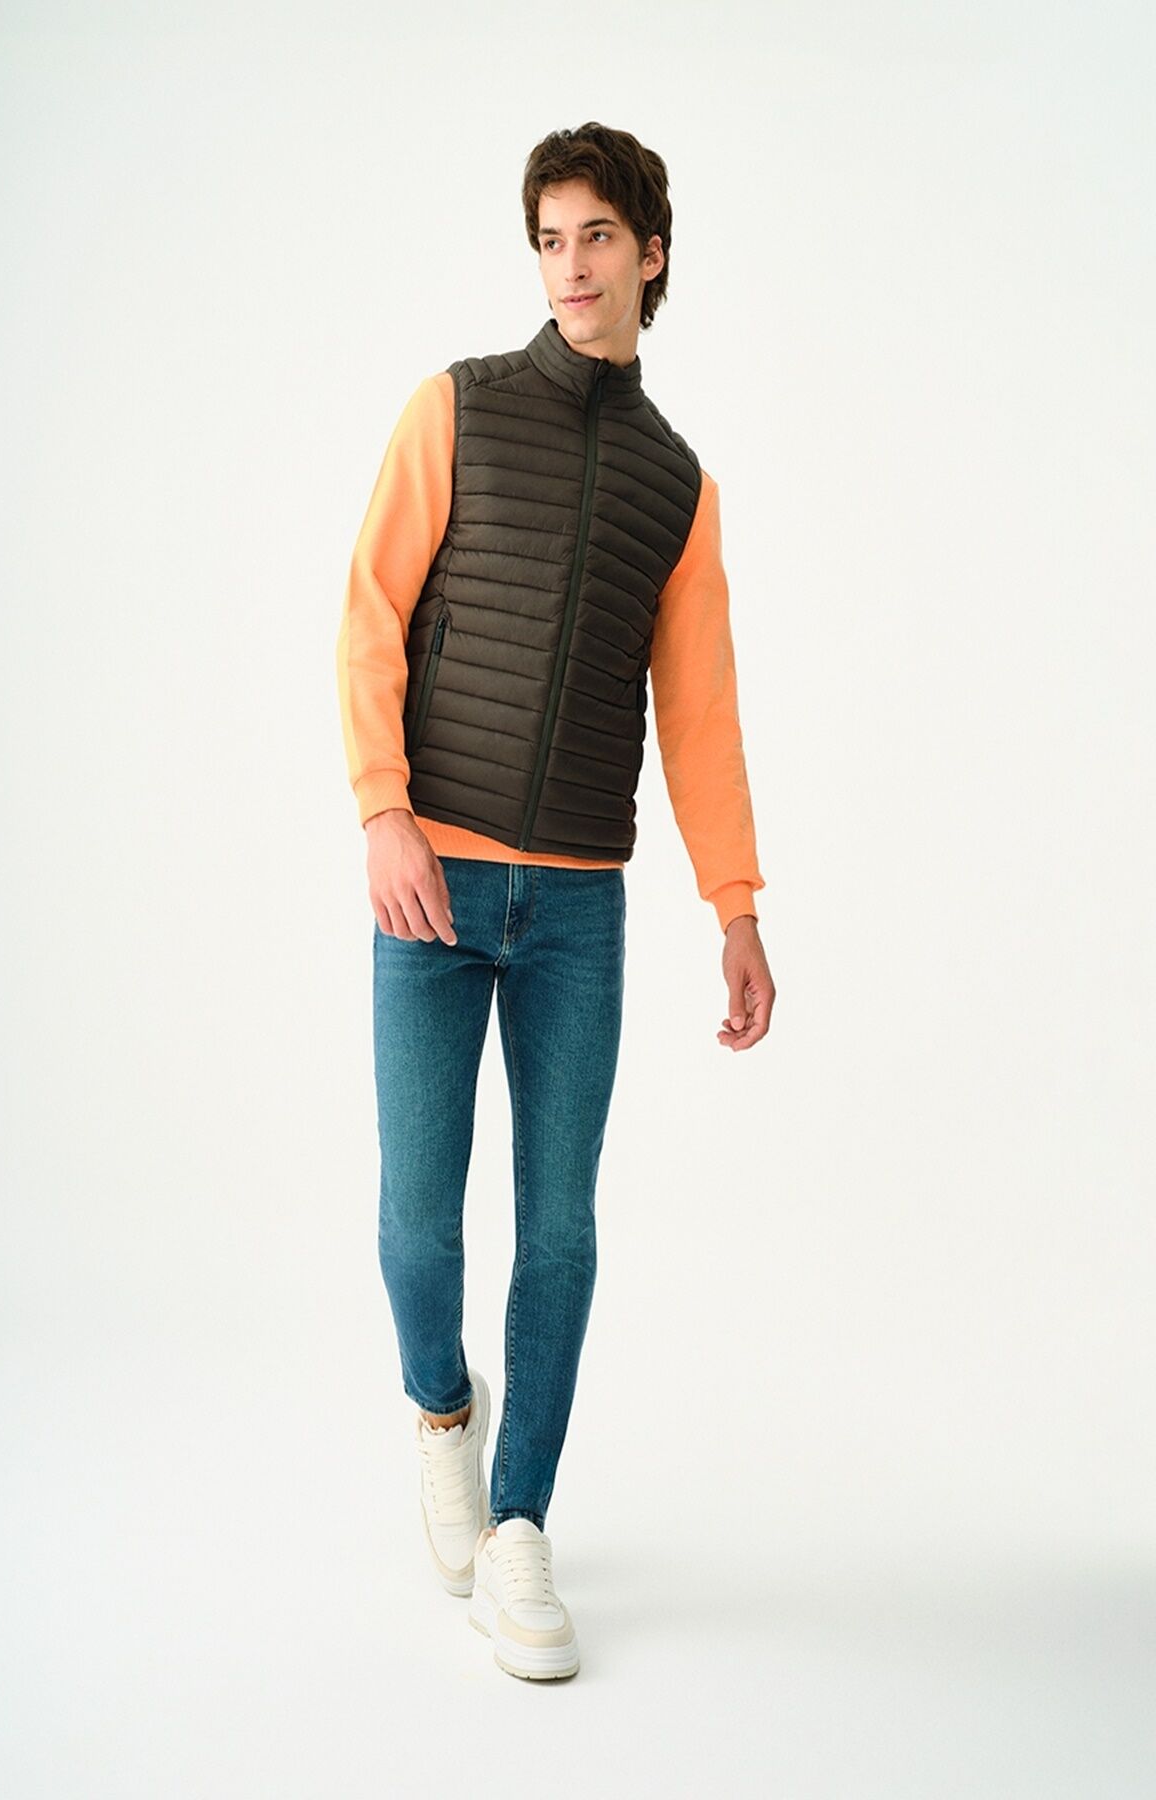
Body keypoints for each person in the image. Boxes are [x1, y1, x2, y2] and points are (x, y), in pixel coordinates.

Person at [335, 120, 775, 1681]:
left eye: (596, 236)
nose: (569, 267)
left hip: (582, 907)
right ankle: (442, 1413)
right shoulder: (454, 407)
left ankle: (520, 1522)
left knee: (563, 1229)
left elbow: (700, 715)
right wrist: (384, 810)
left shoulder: (680, 487)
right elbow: (370, 611)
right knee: (414, 1224)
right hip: (434, 883)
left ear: (650, 254)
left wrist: (735, 904)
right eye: (548, 238)